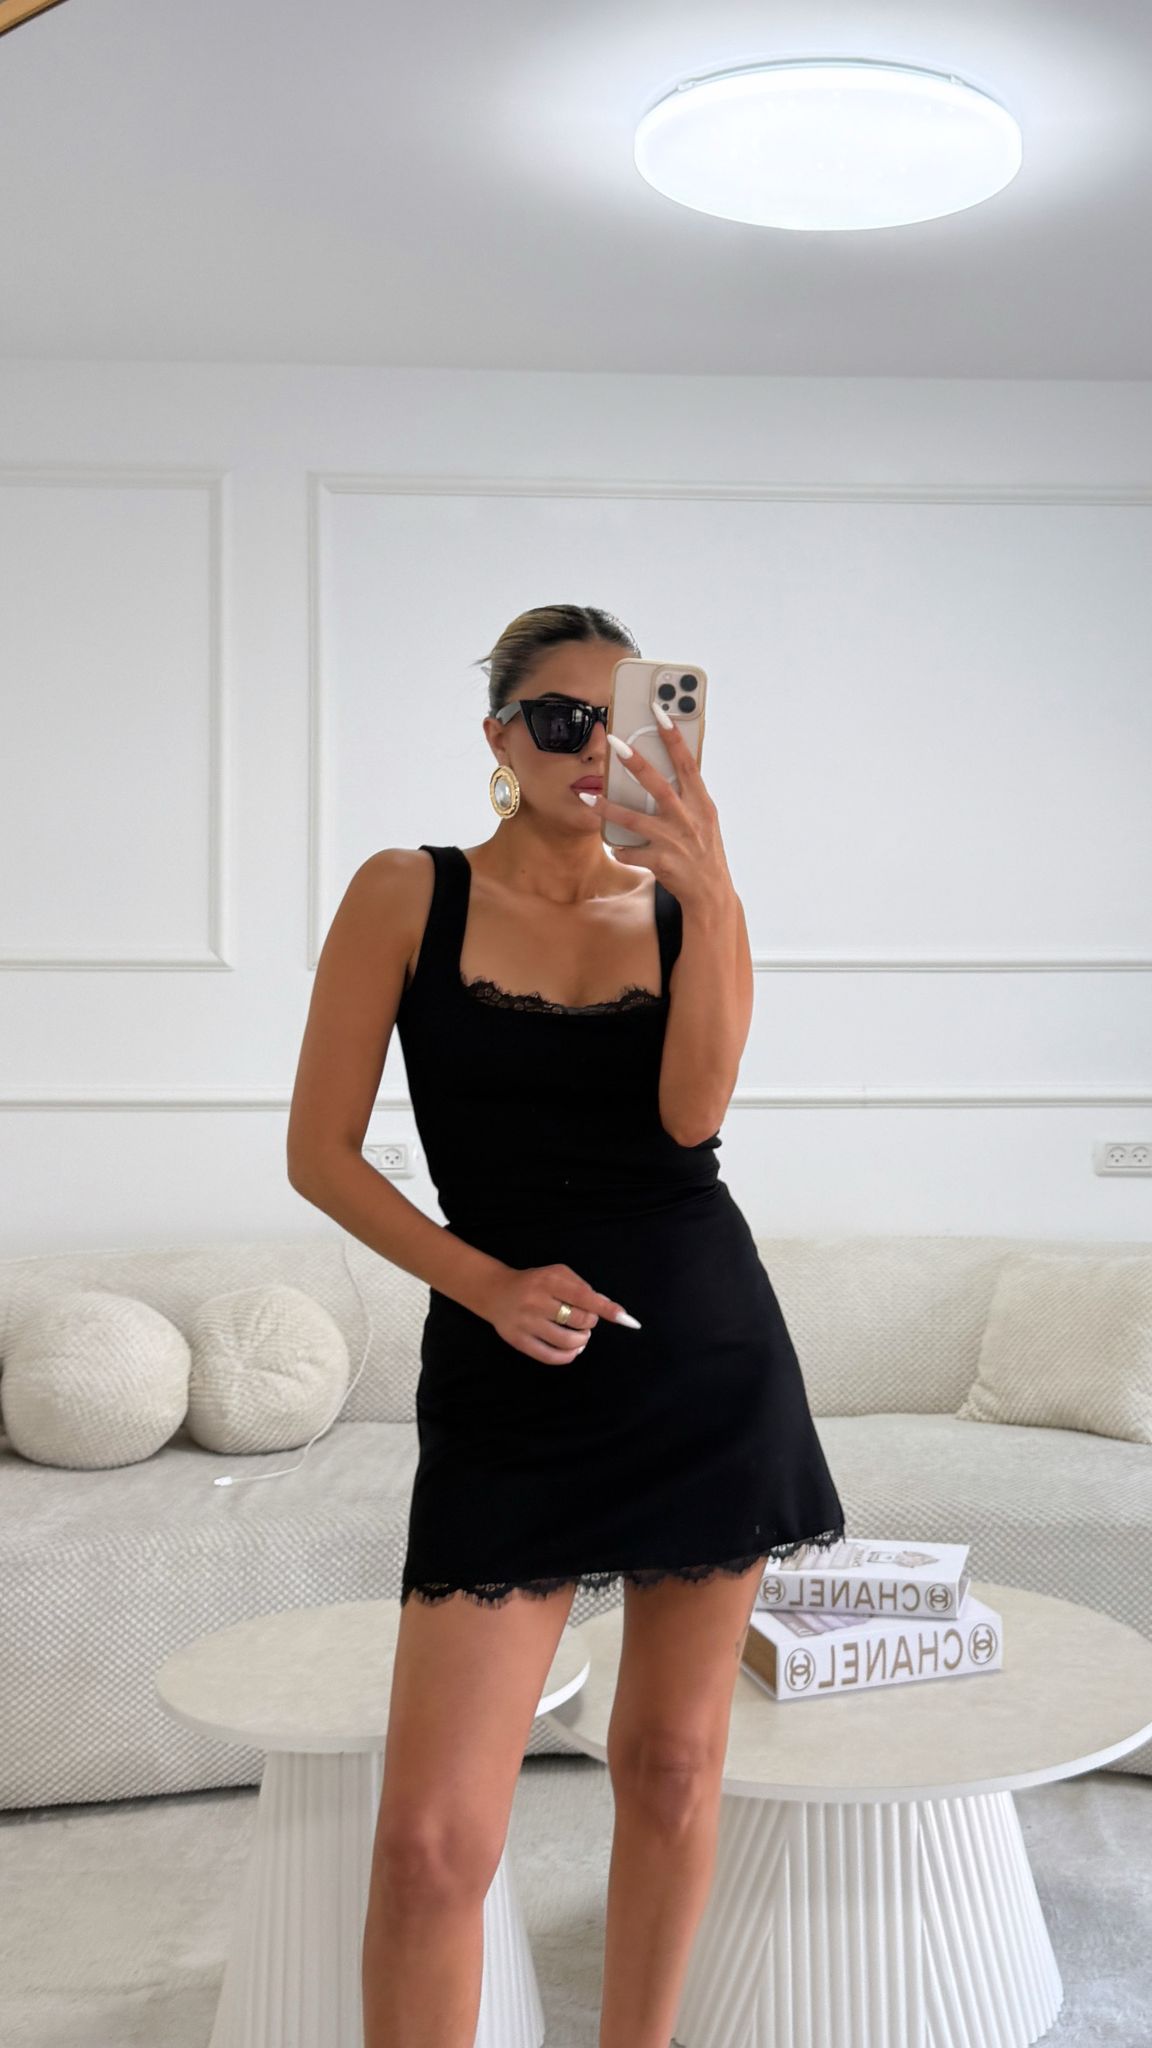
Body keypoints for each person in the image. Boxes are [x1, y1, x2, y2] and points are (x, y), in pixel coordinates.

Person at [286, 602, 846, 2048]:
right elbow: (320, 1155)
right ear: (500, 735)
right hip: (506, 1379)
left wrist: (712, 890)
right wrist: (484, 1283)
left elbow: (691, 1119)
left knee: (671, 1767)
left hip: (702, 1365)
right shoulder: (405, 893)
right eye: (561, 717)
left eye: (629, 719)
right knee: (431, 1846)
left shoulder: (682, 908)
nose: (596, 746)